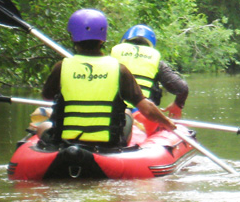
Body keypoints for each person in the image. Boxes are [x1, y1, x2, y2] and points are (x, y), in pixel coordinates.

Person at [36, 9, 175, 147]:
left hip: (66, 143)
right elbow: (147, 109)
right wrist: (169, 124)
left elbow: (47, 96)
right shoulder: (119, 69)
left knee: (42, 126)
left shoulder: (61, 67)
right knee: (127, 112)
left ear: (72, 37)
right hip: (108, 145)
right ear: (103, 39)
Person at [111, 24, 189, 119]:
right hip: (143, 114)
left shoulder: (112, 58)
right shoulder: (157, 62)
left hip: (115, 114)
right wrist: (177, 105)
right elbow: (182, 89)